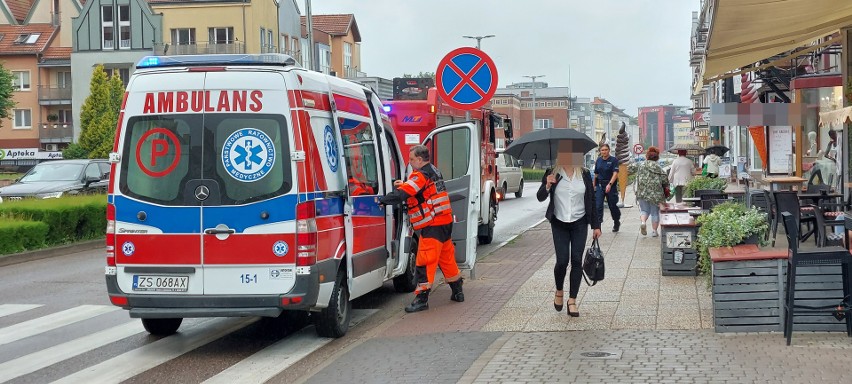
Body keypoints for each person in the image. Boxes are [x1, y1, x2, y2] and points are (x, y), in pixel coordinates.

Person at [379, 145, 463, 313]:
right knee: (447, 258)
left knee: (425, 261)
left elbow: (401, 195)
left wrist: (381, 199)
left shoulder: (420, 175)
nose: (409, 163)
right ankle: (458, 291)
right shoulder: (434, 171)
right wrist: (403, 184)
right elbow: (422, 192)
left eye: (411, 159)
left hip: (433, 225)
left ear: (419, 159)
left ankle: (421, 300)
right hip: (445, 221)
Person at [537, 148, 601, 317]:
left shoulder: (585, 174)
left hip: (580, 222)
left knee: (577, 260)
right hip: (559, 223)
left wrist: (596, 225)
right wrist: (547, 185)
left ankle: (572, 300)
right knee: (562, 261)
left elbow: (592, 200)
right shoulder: (553, 173)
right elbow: (540, 197)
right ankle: (559, 290)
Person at [628, 146, 669, 237]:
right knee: (655, 213)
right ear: (657, 157)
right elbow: (665, 181)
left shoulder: (640, 165)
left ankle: (643, 222)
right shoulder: (659, 168)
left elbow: (629, 169)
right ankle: (654, 231)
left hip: (642, 193)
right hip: (656, 195)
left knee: (644, 210)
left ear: (647, 156)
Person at [593, 144, 621, 232]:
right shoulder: (598, 160)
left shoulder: (614, 160)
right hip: (600, 186)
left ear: (609, 150)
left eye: (606, 150)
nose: (604, 152)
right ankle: (598, 226)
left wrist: (610, 184)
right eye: (602, 150)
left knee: (612, 206)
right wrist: (593, 185)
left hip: (610, 186)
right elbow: (596, 174)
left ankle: (616, 221)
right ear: (600, 151)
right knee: (598, 206)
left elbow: (615, 173)